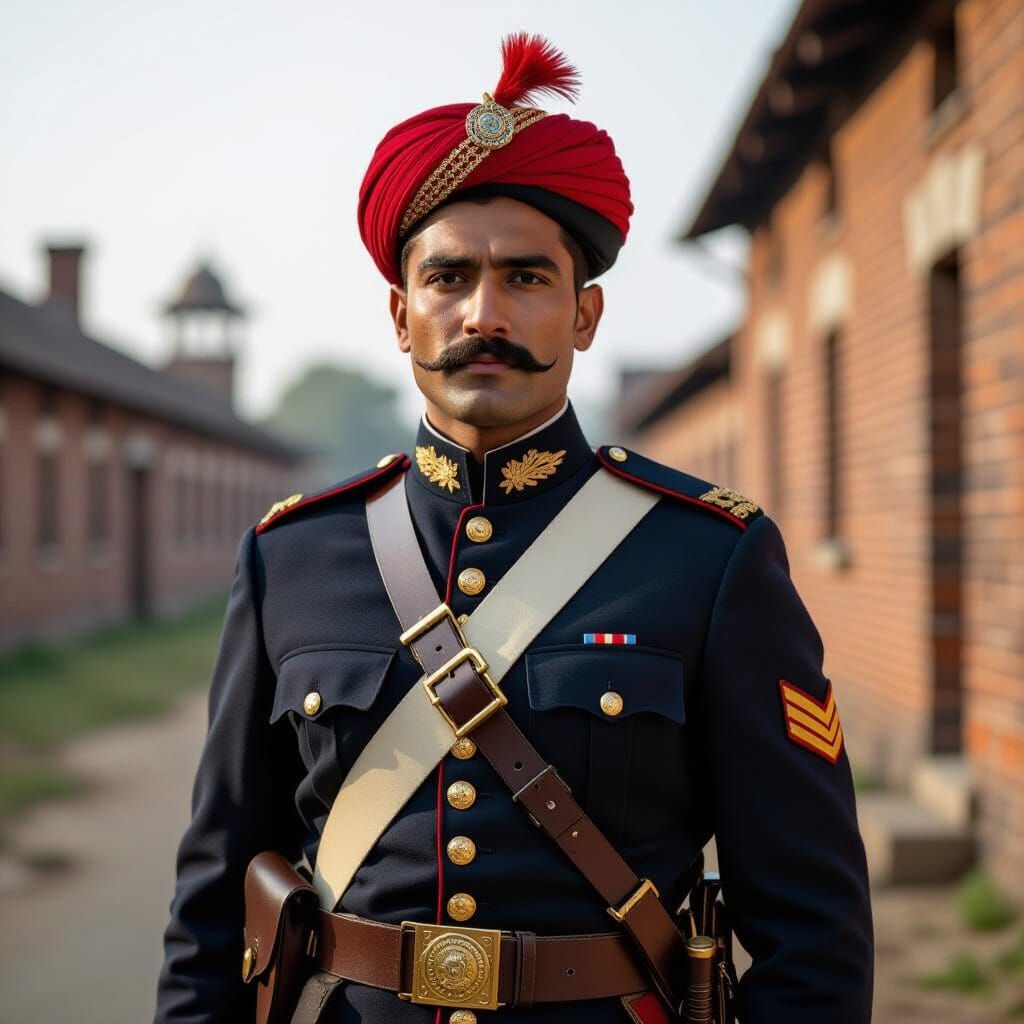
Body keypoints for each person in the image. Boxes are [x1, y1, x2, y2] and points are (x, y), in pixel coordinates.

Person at [155, 34, 873, 1024]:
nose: (481, 313)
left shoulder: (711, 557)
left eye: (527, 279)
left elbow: (814, 927)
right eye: (447, 279)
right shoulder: (290, 557)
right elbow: (212, 901)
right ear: (400, 314)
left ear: (583, 314)